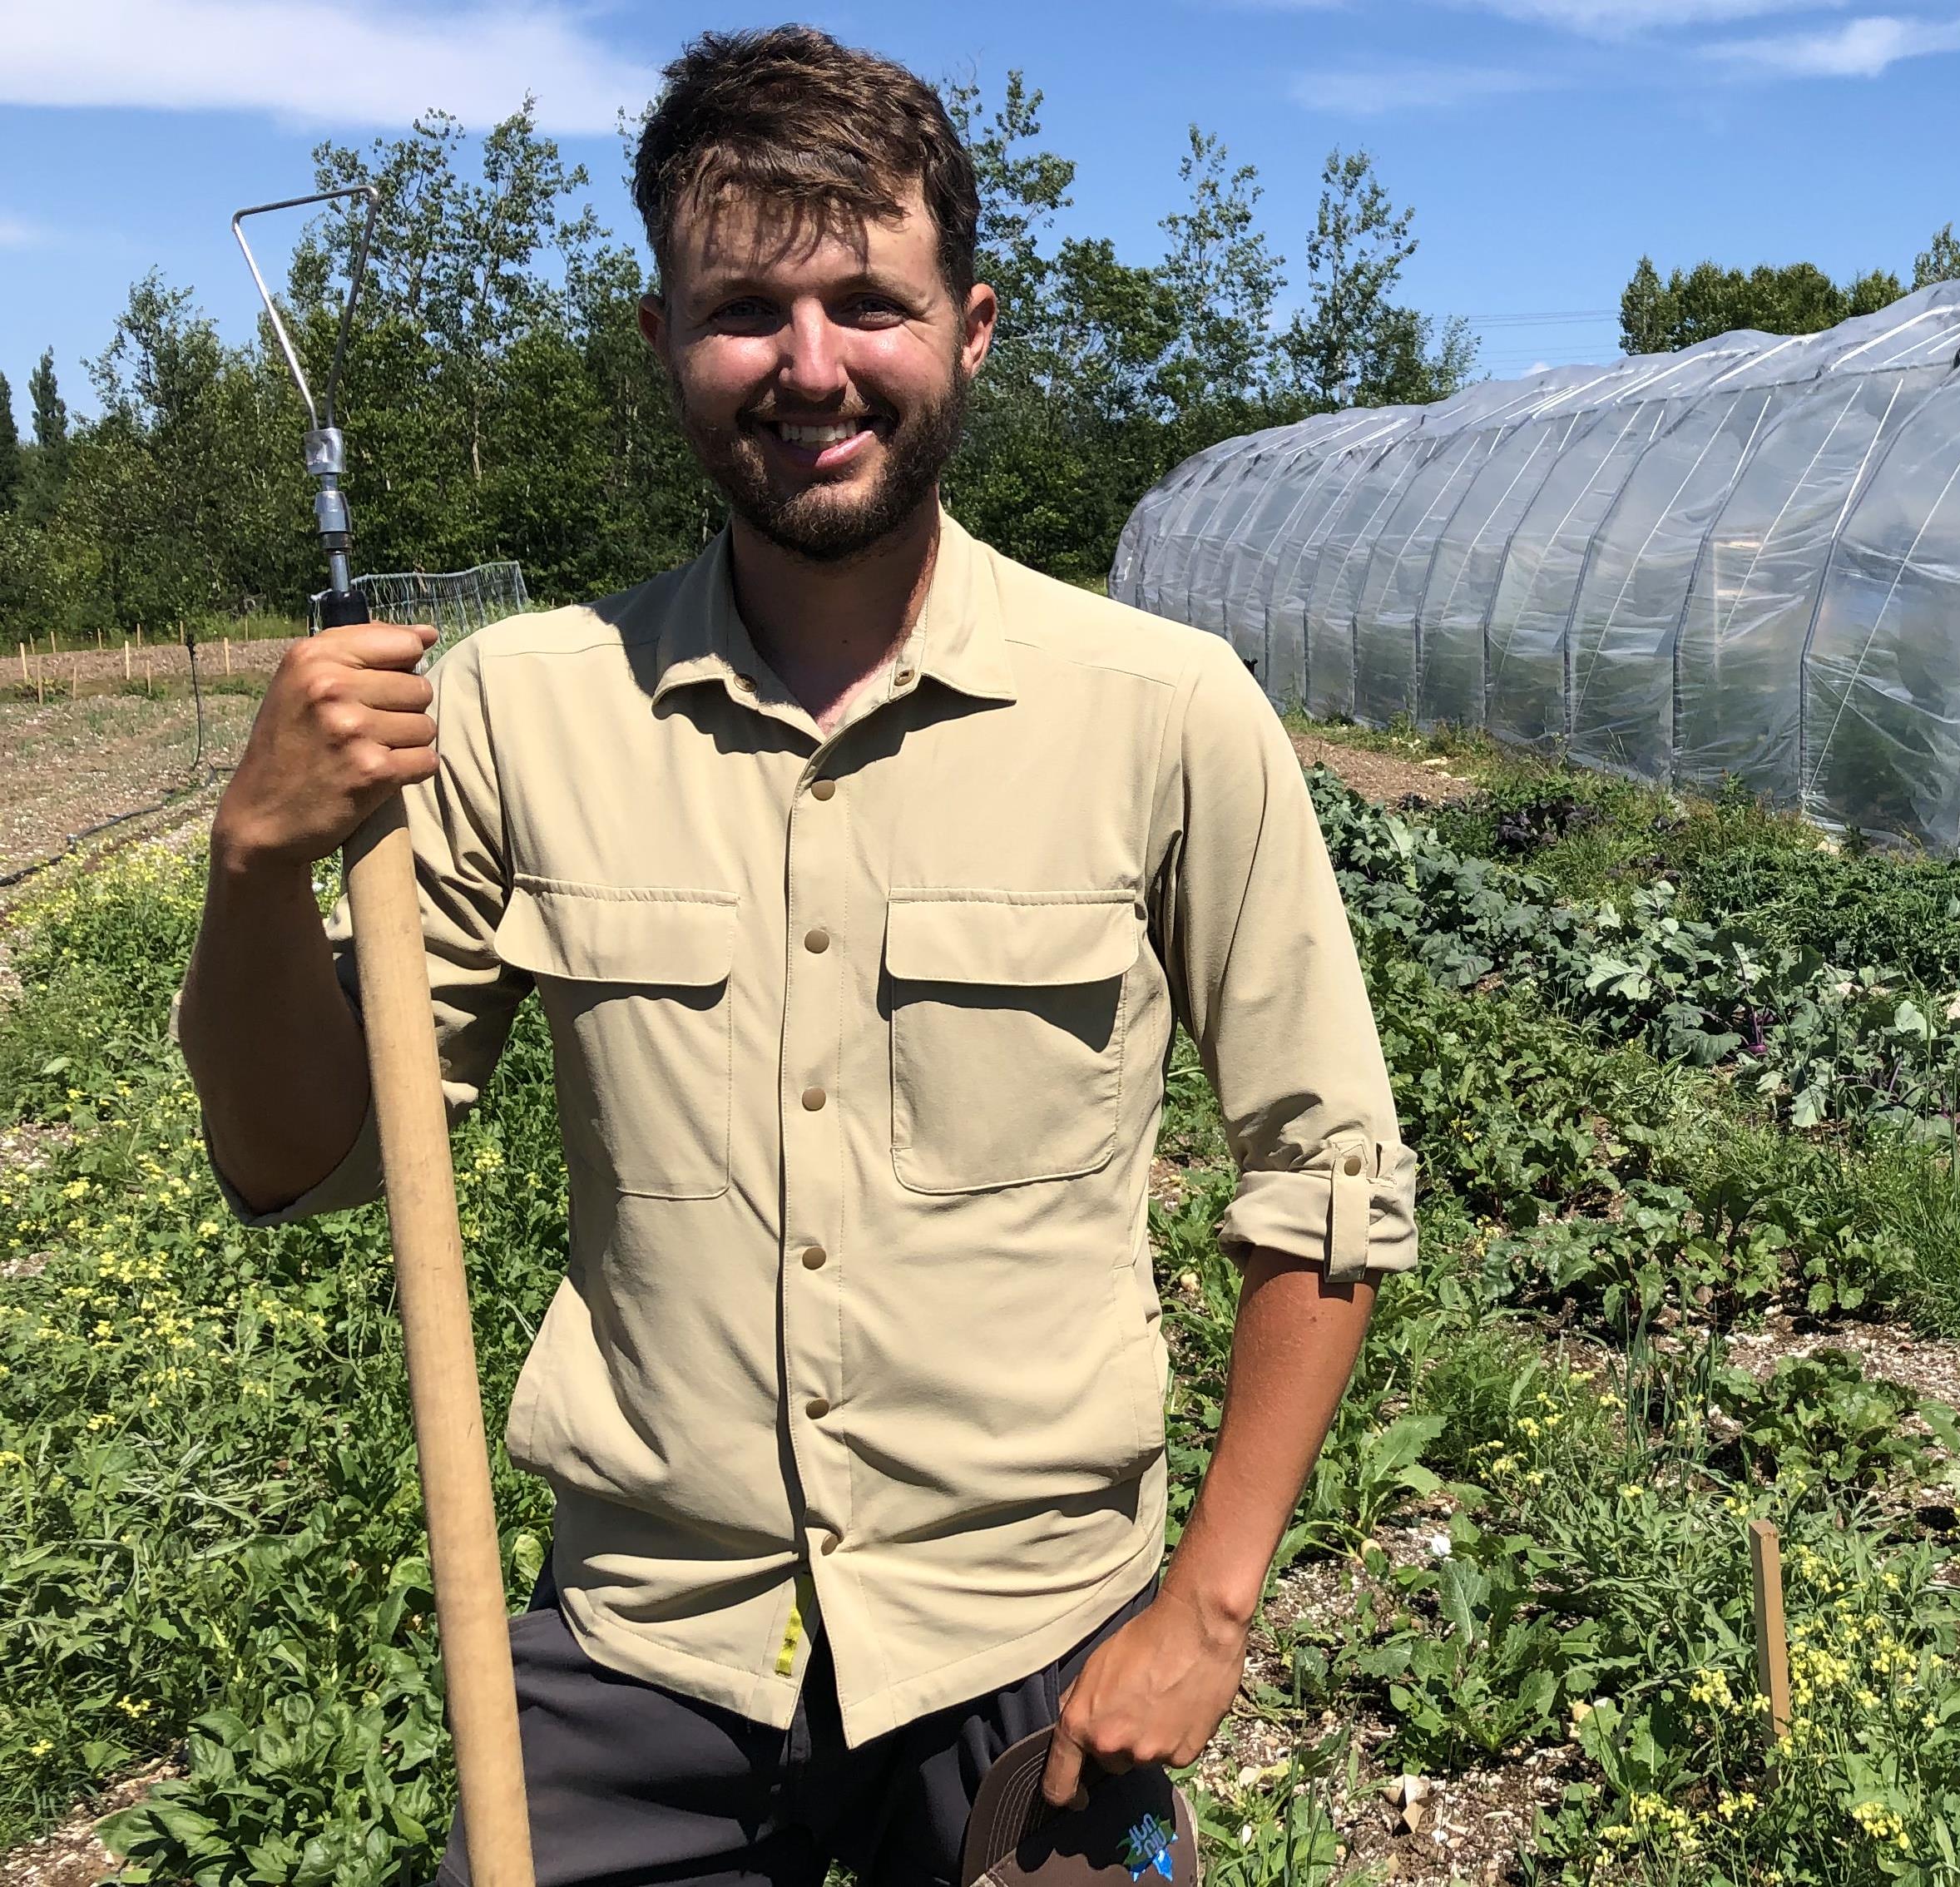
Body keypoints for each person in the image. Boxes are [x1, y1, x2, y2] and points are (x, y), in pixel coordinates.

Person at [176, 25, 1416, 1884]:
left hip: (1033, 1641)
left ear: (971, 331)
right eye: (746, 306)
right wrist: (255, 872)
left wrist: (1209, 1614)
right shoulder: (521, 713)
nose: (813, 364)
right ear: (665, 340)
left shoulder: (1162, 712)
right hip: (653, 1638)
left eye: (870, 301)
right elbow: (308, 1156)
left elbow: (1326, 1177)